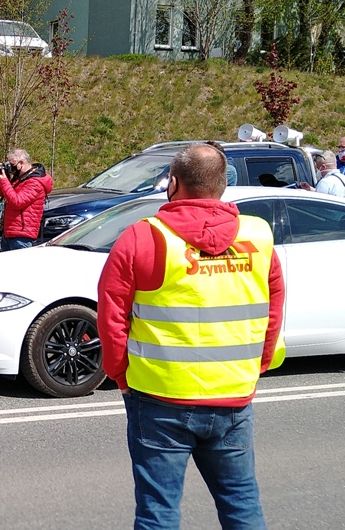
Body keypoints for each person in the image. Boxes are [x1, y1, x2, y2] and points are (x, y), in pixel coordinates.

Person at [97, 143, 285, 529]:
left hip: (159, 396)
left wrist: (120, 375)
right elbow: (273, 309)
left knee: (158, 511)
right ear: (223, 184)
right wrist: (257, 366)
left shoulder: (143, 237)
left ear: (173, 183)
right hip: (233, 394)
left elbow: (111, 315)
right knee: (241, 502)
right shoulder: (258, 236)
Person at [0, 149, 53, 251]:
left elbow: (17, 202)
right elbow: (3, 194)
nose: (11, 168)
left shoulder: (35, 182)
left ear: (21, 163)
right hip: (9, 231)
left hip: (22, 235)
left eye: (12, 165)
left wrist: (4, 181)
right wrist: (5, 177)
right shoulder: (20, 178)